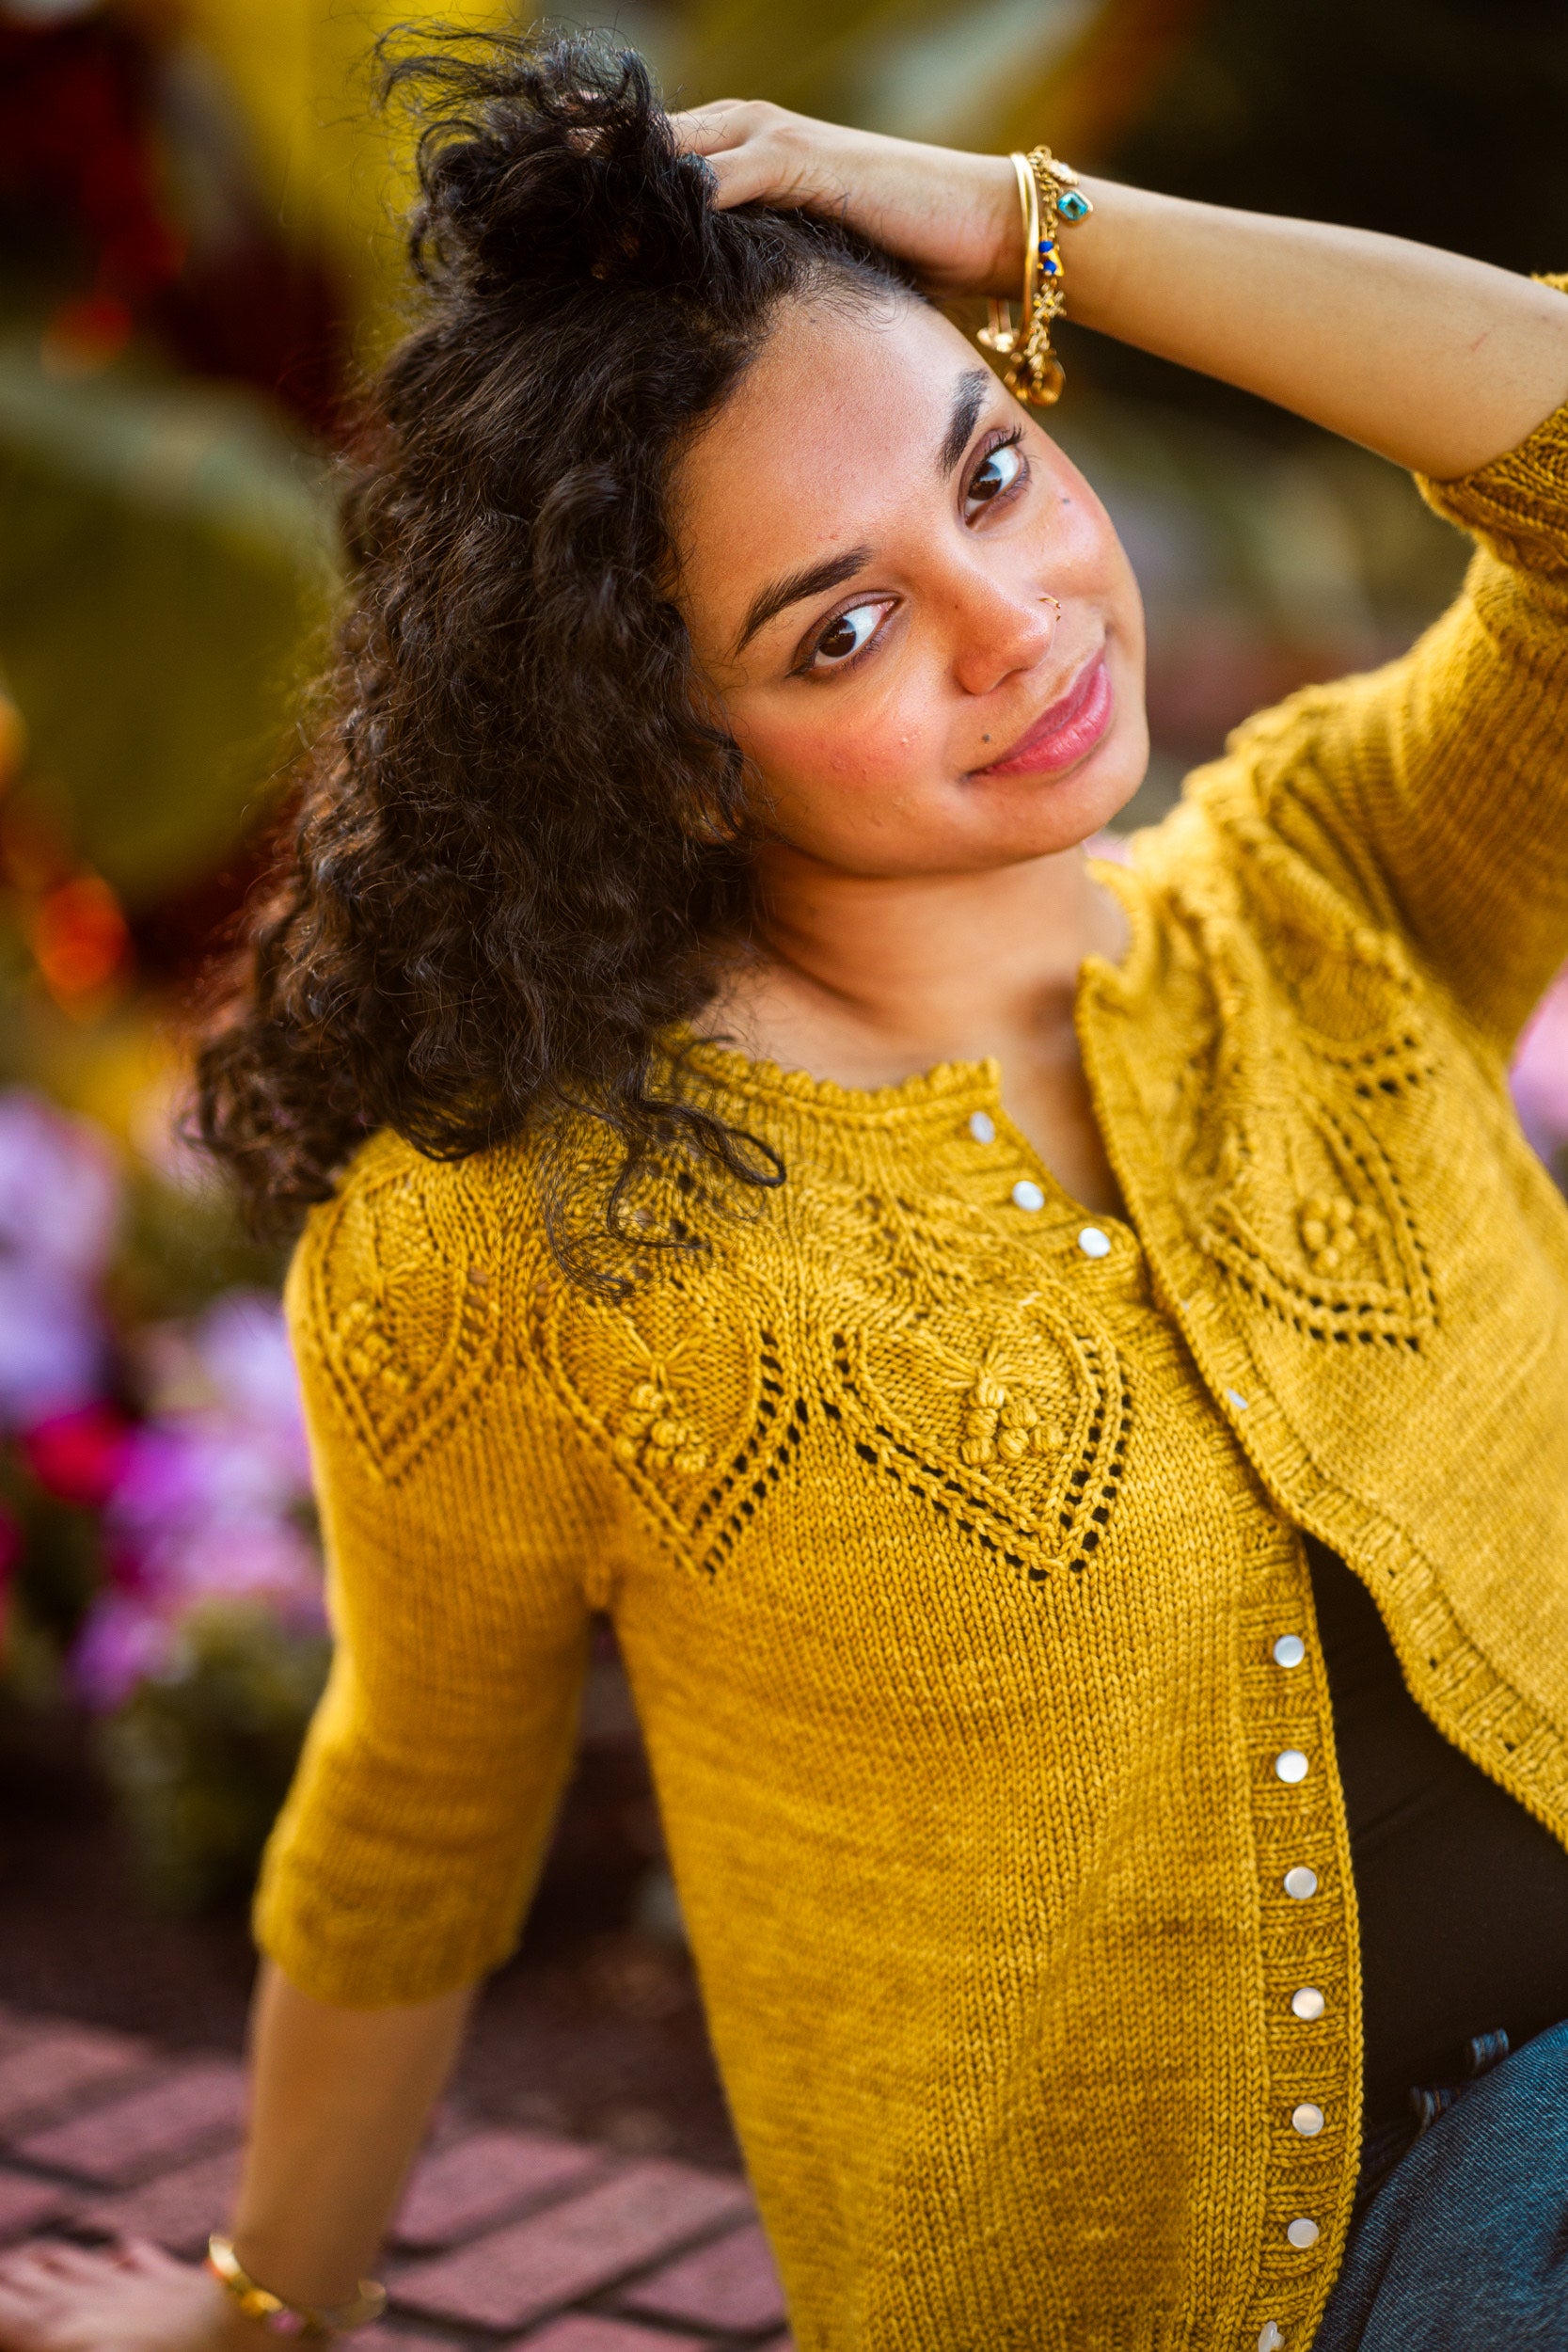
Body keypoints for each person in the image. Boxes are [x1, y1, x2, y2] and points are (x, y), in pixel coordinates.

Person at [4, 29, 1568, 2351]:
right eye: (838, 625)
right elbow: (414, 1824)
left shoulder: (1335, 879)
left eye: (1000, 473)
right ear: (665, 752)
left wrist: (1015, 221)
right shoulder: (525, 1246)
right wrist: (258, 2301)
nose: (1016, 619)